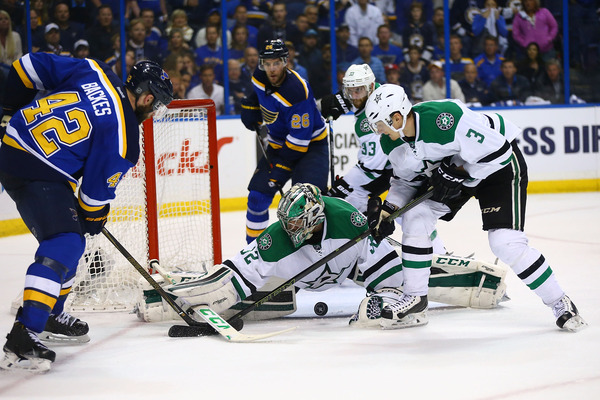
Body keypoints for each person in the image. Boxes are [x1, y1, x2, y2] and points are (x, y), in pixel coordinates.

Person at [364, 83, 587, 332]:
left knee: (505, 242)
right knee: (415, 216)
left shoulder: (445, 118)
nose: (378, 131)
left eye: (379, 124)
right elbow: (406, 180)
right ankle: (415, 298)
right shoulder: (392, 143)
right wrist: (389, 208)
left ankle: (560, 301)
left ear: (396, 118)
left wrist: (462, 173)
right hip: (455, 171)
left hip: (496, 166)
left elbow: (500, 152)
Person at [0, 54, 173, 372]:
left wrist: (8, 112)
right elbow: (93, 198)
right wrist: (93, 219)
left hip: (16, 144)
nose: (154, 110)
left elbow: (25, 67)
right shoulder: (124, 134)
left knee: (71, 239)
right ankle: (24, 337)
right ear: (148, 97)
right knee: (66, 241)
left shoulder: (94, 69)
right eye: (157, 104)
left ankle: (51, 312)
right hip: (35, 167)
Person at [138, 183, 509, 326]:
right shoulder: (277, 238)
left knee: (412, 273)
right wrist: (206, 297)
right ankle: (162, 298)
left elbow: (382, 265)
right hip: (300, 279)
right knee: (251, 294)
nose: (291, 234)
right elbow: (236, 275)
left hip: (350, 269)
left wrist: (387, 296)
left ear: (315, 217)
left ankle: (483, 284)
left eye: (299, 227)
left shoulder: (348, 220)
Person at [319, 63, 446, 254]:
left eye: (359, 90)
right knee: (406, 212)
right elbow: (353, 97)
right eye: (350, 91)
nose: (354, 96)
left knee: (364, 206)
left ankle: (363, 253)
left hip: (397, 169)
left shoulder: (368, 122)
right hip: (402, 163)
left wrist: (345, 184)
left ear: (370, 87)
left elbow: (372, 169)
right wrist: (340, 100)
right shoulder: (380, 93)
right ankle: (438, 251)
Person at [240, 39, 329, 244]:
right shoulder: (259, 76)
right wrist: (252, 105)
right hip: (279, 144)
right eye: (267, 63)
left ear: (286, 62)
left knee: (307, 206)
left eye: (276, 63)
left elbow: (299, 141)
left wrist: (281, 167)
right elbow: (259, 94)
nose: (271, 69)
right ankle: (254, 253)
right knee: (257, 198)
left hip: (312, 147)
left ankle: (314, 255)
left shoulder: (298, 91)